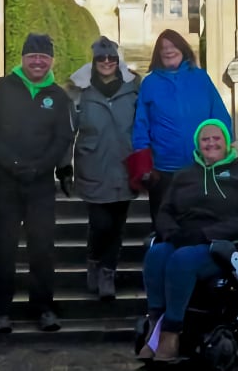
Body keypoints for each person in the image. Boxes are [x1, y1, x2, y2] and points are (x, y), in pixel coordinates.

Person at [137, 119, 238, 363]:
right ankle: (155, 326)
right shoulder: (184, 175)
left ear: (227, 142)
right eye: (205, 139)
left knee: (182, 259)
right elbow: (165, 211)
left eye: (216, 138)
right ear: (197, 145)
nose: (211, 143)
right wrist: (172, 233)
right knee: (156, 253)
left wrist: (206, 234)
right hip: (187, 240)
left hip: (231, 247)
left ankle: (171, 333)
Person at [0, 33, 74, 334]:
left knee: (42, 248)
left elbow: (63, 137)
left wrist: (41, 167)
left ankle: (43, 307)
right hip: (3, 183)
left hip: (40, 185)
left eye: (44, 56)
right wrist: (13, 164)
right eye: (32, 56)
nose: (38, 62)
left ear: (51, 60)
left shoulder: (58, 97)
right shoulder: (1, 88)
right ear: (23, 58)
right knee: (4, 248)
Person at [129, 29, 233, 226]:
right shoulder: (150, 83)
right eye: (163, 48)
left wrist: (223, 150)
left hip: (201, 167)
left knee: (200, 223)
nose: (168, 51)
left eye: (173, 46)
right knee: (165, 225)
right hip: (163, 171)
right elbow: (141, 123)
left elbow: (219, 116)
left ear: (183, 49)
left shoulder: (201, 78)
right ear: (158, 54)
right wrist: (142, 161)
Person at [67, 36, 139, 301]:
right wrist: (64, 165)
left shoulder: (134, 88)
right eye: (101, 58)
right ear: (94, 60)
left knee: (117, 224)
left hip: (124, 164)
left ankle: (108, 272)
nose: (106, 62)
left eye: (111, 58)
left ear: (118, 61)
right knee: (100, 223)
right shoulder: (79, 89)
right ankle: (94, 261)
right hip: (93, 164)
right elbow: (68, 129)